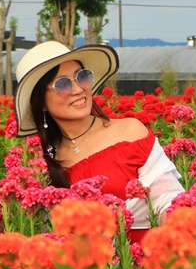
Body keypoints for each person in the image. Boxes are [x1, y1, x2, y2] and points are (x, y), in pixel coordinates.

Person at [13, 41, 185, 243]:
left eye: (81, 76)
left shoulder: (129, 131)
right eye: (62, 84)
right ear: (41, 102)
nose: (77, 89)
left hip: (153, 260)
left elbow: (170, 202)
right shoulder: (45, 166)